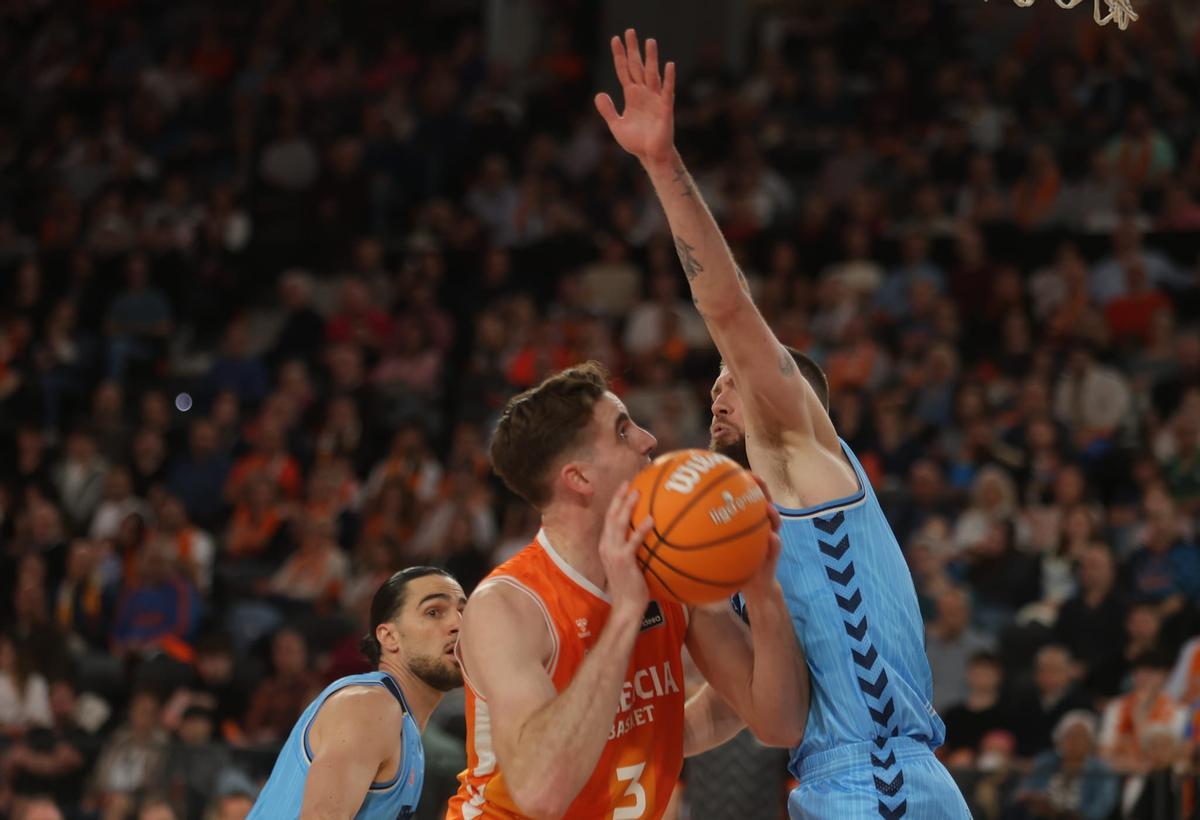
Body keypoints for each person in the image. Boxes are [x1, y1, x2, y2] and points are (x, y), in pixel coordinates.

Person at [596, 30, 970, 818]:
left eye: (734, 377)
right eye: (717, 384)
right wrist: (608, 738)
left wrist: (662, 167)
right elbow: (753, 715)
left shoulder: (800, 453)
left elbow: (725, 307)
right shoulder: (734, 556)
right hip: (837, 785)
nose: (718, 395)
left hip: (884, 784)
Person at [447, 362, 807, 818]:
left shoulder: (669, 570)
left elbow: (780, 722)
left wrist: (761, 590)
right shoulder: (507, 605)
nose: (648, 439)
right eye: (622, 432)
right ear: (579, 478)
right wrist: (624, 616)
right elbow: (541, 793)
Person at [248, 566, 465, 819]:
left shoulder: (405, 730)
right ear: (389, 637)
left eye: (462, 611)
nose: (457, 624)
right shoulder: (372, 705)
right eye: (433, 612)